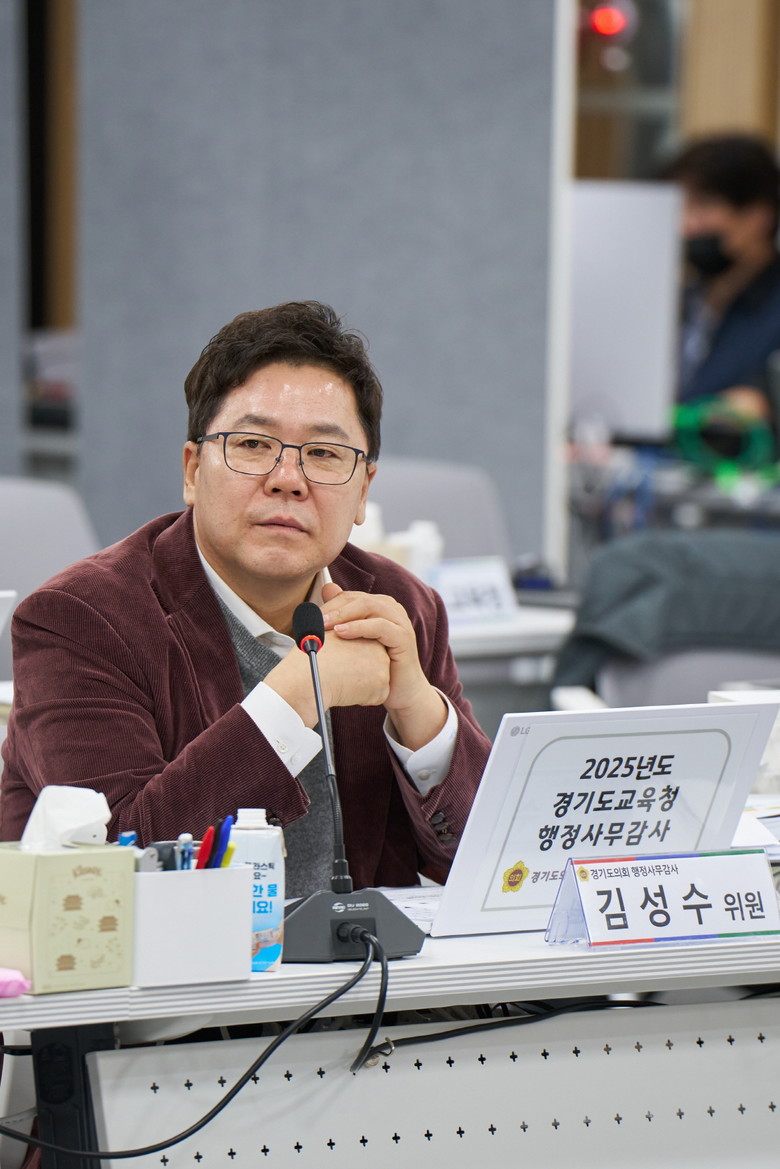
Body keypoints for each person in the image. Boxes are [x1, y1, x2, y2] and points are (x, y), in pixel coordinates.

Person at [0, 301, 491, 895]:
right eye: (254, 445)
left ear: (364, 491)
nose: (288, 479)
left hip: (364, 958)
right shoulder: (80, 619)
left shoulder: (397, 608)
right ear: (192, 470)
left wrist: (419, 711)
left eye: (324, 454)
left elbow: (489, 865)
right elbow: (117, 871)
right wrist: (298, 694)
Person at [661, 133, 780, 425]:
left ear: (757, 215)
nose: (686, 224)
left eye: (703, 205)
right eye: (680, 206)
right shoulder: (681, 300)